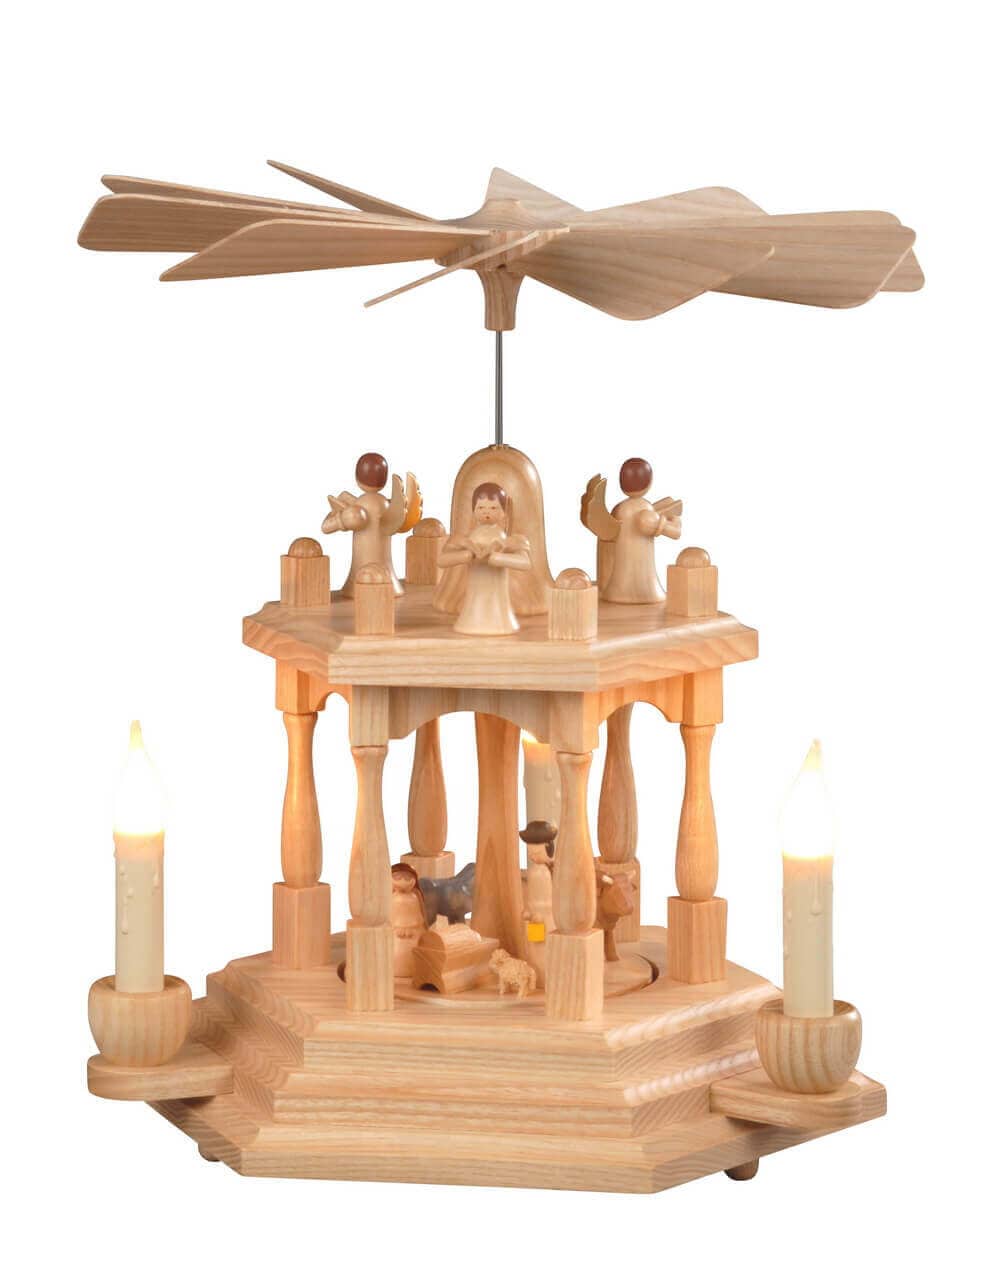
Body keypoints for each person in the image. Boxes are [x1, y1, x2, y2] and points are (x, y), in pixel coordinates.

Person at [438, 482, 531, 635]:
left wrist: (498, 558)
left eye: (494, 508)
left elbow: (525, 562)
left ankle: (499, 622)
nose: (486, 512)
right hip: (475, 594)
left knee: (496, 606)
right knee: (475, 606)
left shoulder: (509, 540)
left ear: (504, 512)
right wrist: (465, 555)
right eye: (481, 507)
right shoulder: (465, 539)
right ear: (473, 510)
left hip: (498, 597)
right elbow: (441, 560)